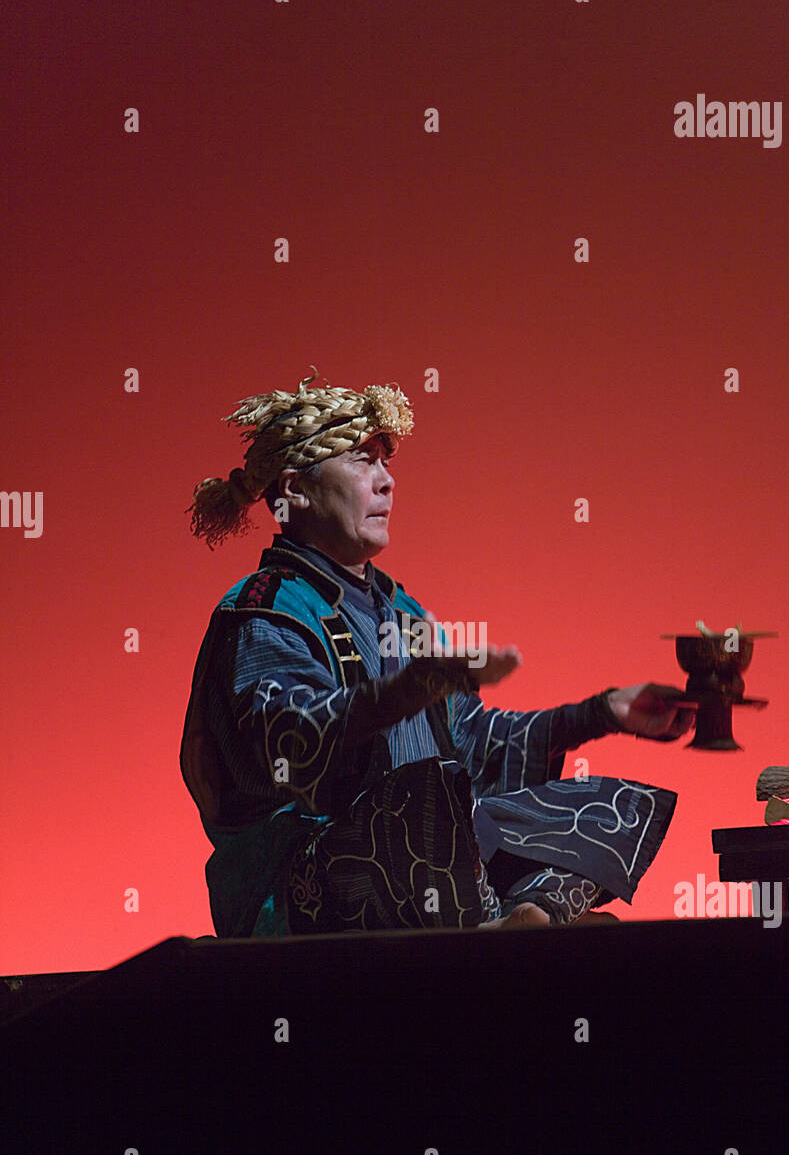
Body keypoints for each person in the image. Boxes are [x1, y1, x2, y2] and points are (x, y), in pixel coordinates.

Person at [180, 368, 694, 937]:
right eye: (361, 459)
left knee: (604, 805)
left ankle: (526, 917)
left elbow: (471, 741)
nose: (385, 481)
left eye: (385, 461)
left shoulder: (401, 610)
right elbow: (289, 741)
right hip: (298, 877)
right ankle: (504, 919)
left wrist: (599, 714)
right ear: (295, 490)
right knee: (425, 797)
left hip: (429, 859)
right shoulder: (266, 609)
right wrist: (408, 690)